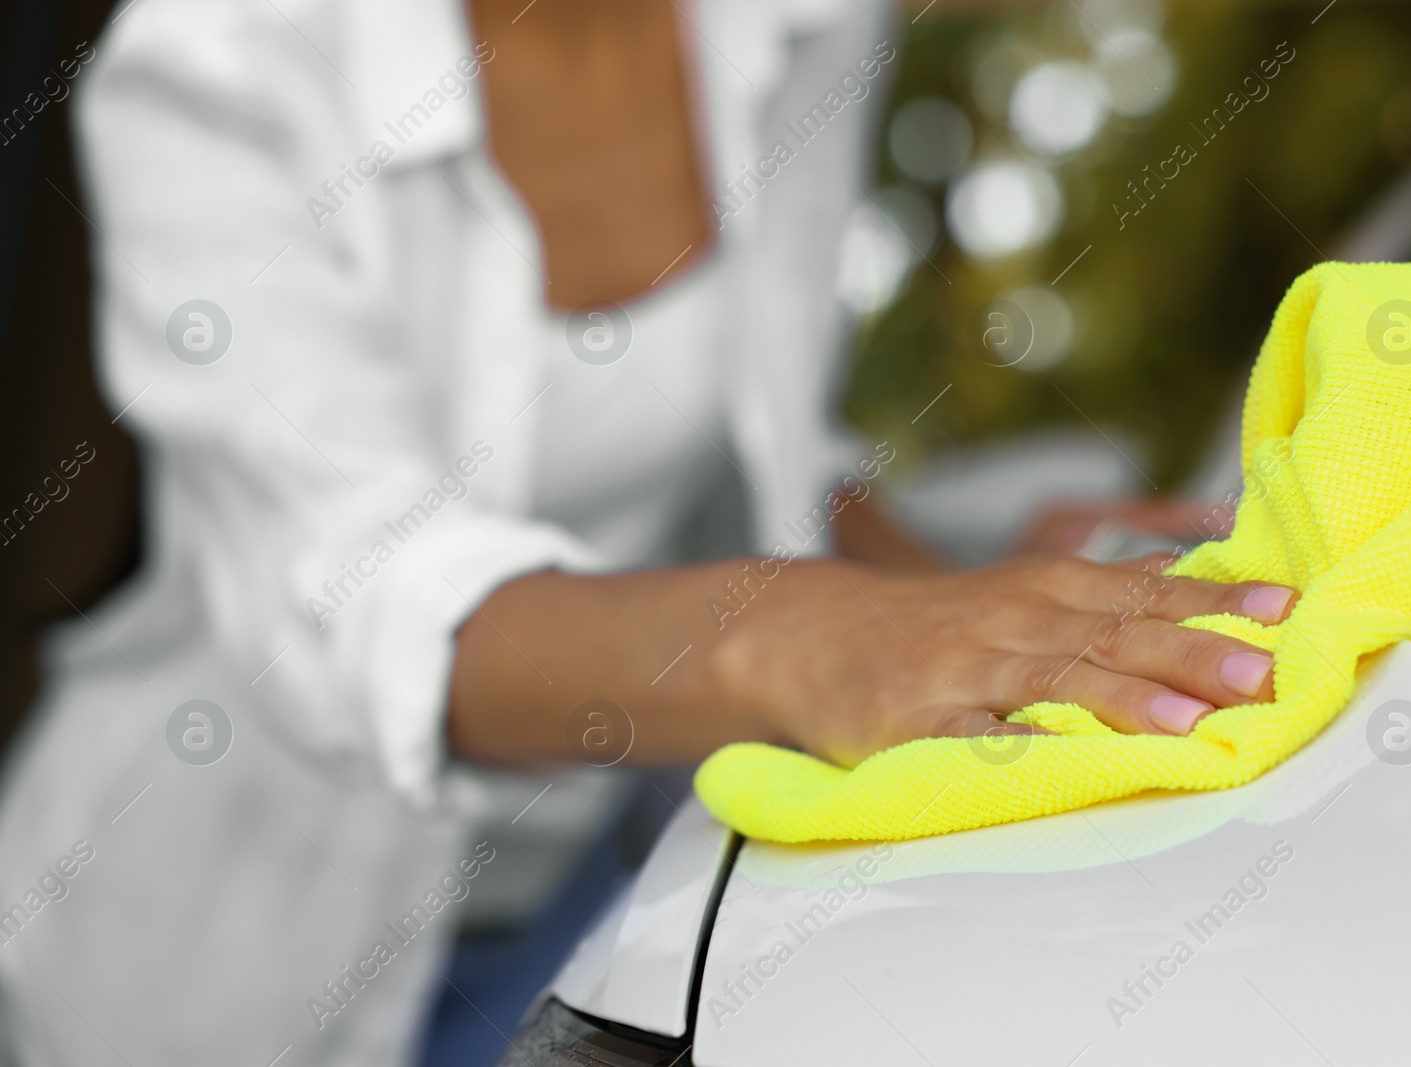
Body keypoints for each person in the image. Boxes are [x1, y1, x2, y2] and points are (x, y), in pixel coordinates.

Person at [0, 0, 1293, 1063]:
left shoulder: (806, 25)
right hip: (234, 939)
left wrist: (974, 592)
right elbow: (362, 596)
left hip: (597, 884)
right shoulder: (216, 62)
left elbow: (774, 456)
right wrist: (791, 635)